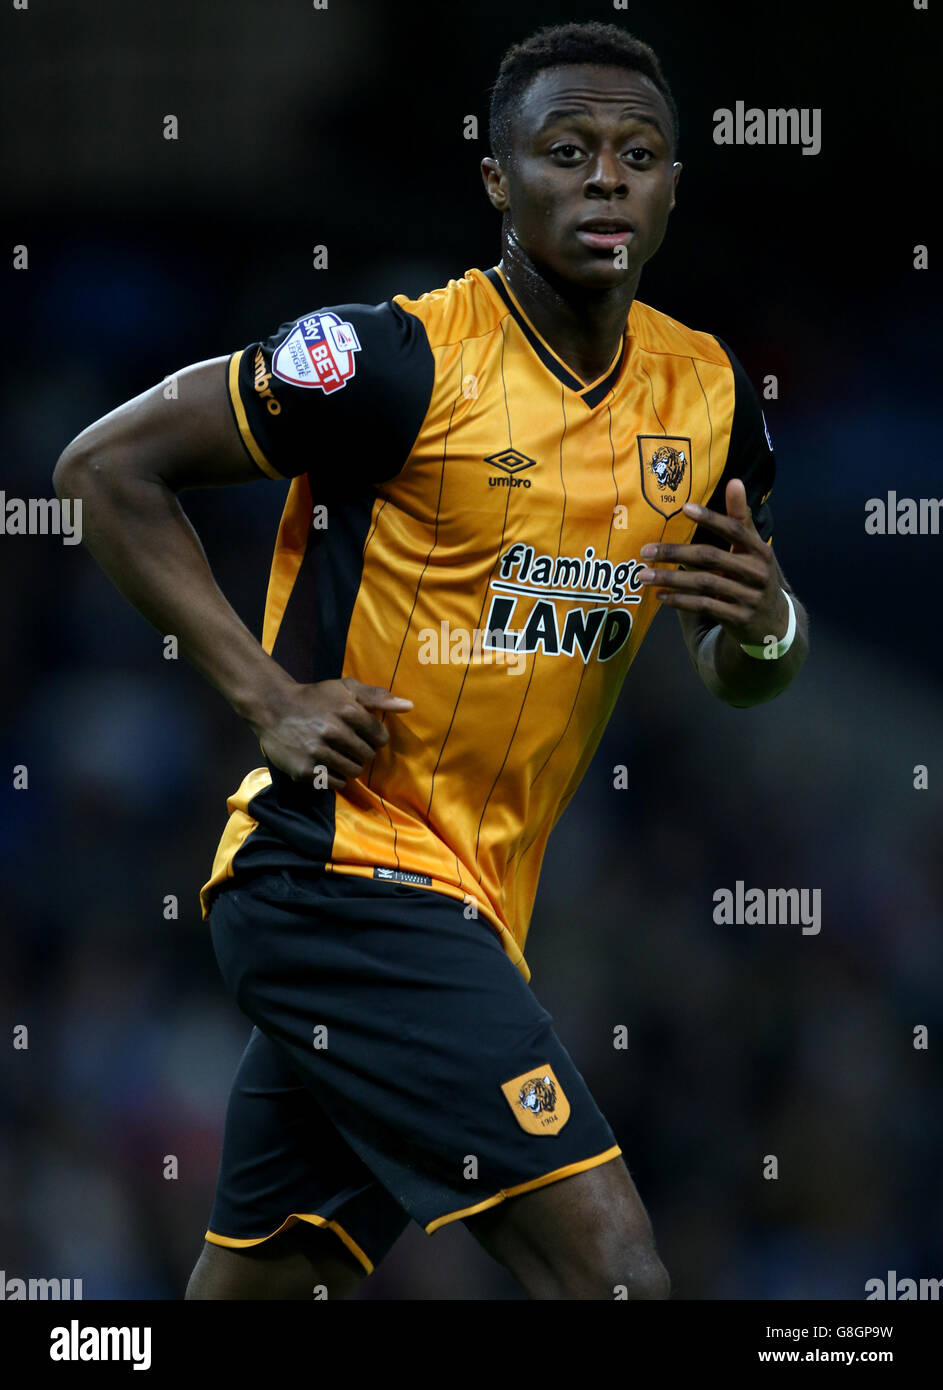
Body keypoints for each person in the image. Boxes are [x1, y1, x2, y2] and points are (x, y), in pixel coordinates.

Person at [53, 20, 809, 1301]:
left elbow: (740, 665)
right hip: (341, 876)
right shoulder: (393, 360)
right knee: (615, 1269)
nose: (606, 177)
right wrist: (266, 693)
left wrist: (768, 629)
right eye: (565, 151)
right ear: (497, 183)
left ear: (675, 184)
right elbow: (102, 469)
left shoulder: (710, 397)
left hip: (469, 911)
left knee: (268, 1288)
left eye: (638, 153)